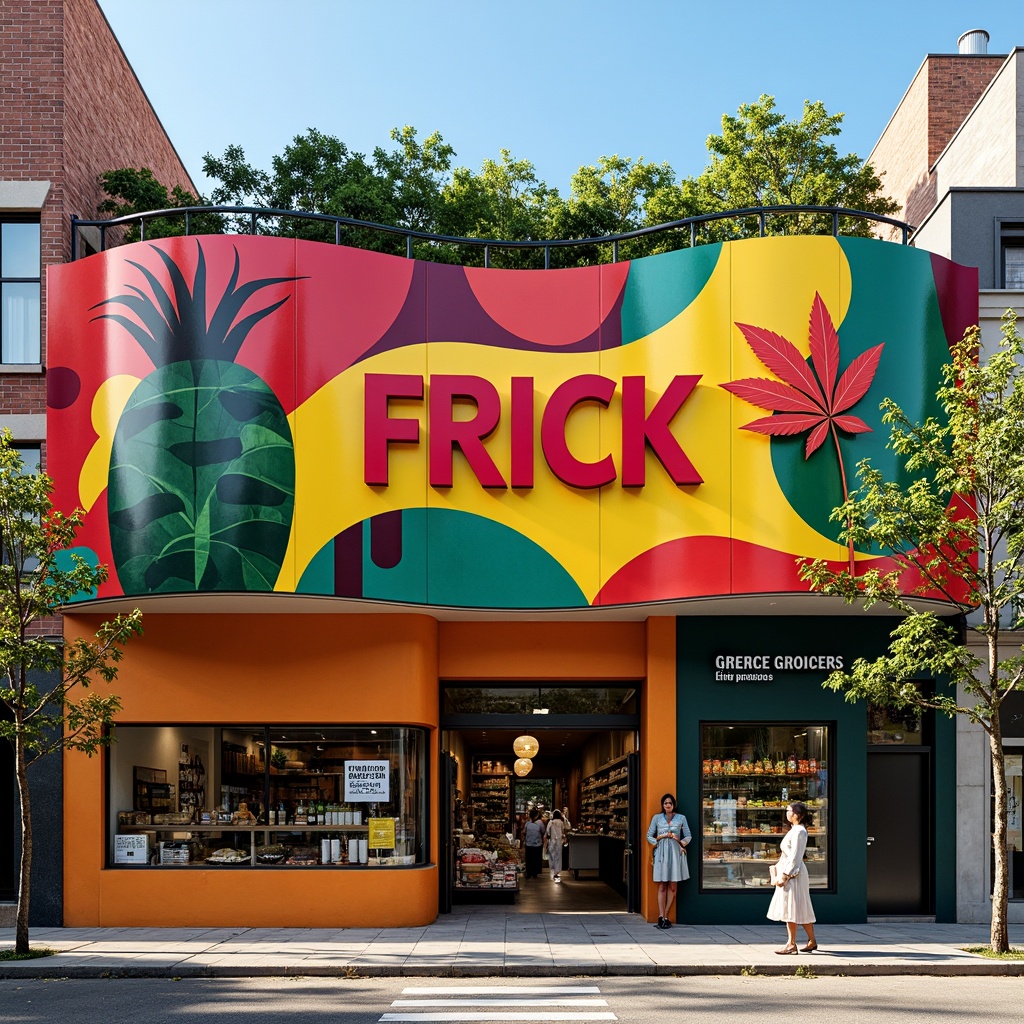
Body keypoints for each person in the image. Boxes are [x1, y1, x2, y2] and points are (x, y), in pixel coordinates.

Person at [767, 801, 818, 954]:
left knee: (791, 907)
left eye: (789, 810)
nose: (786, 813)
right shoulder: (795, 830)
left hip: (793, 874)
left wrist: (785, 875)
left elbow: (796, 856)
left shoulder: (799, 832)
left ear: (796, 814)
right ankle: (811, 941)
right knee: (799, 906)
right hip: (792, 872)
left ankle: (791, 944)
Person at [646, 792, 690, 928]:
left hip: (675, 851)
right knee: (662, 884)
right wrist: (658, 839)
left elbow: (688, 835)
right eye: (665, 803)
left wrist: (681, 842)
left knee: (673, 886)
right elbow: (649, 835)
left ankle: (665, 915)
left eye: (670, 803)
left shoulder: (681, 818)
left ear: (673, 805)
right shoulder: (657, 818)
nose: (668, 805)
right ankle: (660, 916)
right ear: (662, 805)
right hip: (662, 853)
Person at [522, 807, 546, 879]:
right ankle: (535, 873)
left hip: (529, 843)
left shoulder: (527, 823)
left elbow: (524, 832)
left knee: (529, 859)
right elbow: (543, 831)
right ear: (536, 815)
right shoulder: (540, 823)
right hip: (537, 844)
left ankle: (529, 872)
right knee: (536, 859)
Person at [545, 809, 566, 882]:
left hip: (552, 840)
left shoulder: (551, 822)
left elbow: (547, 831)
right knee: (558, 855)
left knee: (552, 855)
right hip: (559, 841)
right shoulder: (561, 822)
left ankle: (552, 869)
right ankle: (557, 871)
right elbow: (563, 830)